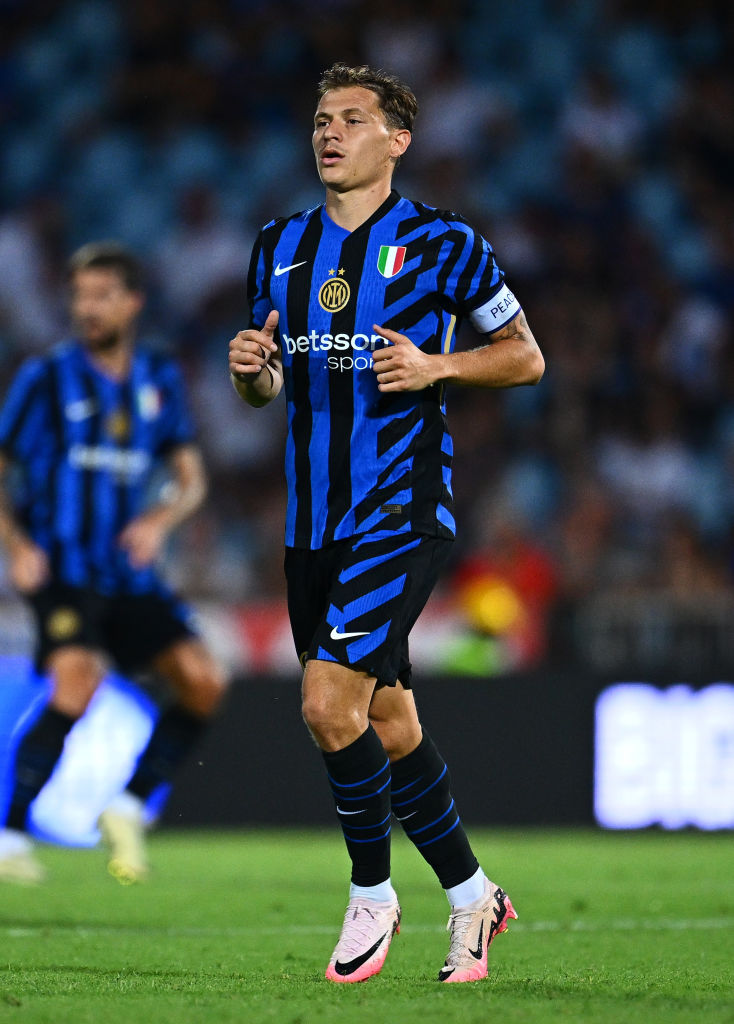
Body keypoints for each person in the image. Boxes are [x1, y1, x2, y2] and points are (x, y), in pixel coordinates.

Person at [229, 62, 544, 984]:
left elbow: (524, 359)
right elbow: (264, 392)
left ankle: (372, 895)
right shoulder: (277, 247)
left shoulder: (444, 245)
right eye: (322, 119)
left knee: (329, 706)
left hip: (401, 510)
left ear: (396, 141)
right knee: (390, 719)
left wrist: (440, 369)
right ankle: (472, 896)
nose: (330, 132)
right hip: (313, 524)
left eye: (353, 119)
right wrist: (252, 370)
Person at [0, 242, 227, 884]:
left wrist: (159, 520)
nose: (87, 308)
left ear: (133, 303)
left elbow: (191, 478)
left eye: (101, 296)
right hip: (62, 567)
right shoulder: (44, 378)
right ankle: (10, 833)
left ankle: (126, 806)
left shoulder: (158, 379)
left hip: (128, 574)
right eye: (78, 296)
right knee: (79, 679)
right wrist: (16, 546)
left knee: (204, 681)